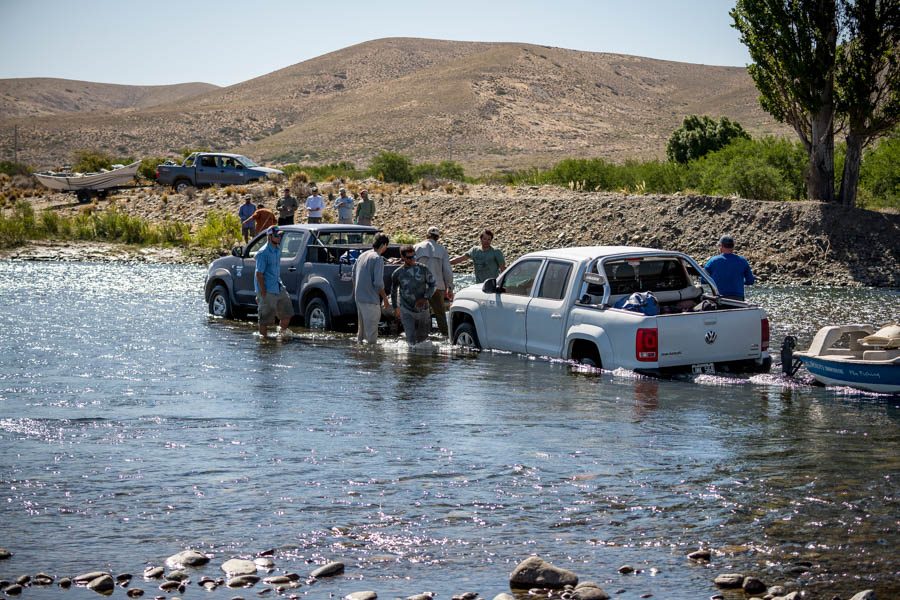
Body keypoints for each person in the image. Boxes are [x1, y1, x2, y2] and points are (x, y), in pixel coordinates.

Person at [391, 244, 436, 345]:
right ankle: (410, 359)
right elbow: (393, 291)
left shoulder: (423, 269)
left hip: (423, 310)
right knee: (410, 340)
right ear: (402, 257)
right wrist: (396, 308)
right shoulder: (397, 273)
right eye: (409, 258)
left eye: (414, 256)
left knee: (423, 341)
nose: (412, 259)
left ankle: (420, 359)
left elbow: (433, 285)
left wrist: (425, 298)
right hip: (406, 310)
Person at [255, 226, 294, 336]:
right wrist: (263, 291)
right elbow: (259, 274)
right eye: (277, 235)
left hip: (278, 286)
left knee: (287, 314)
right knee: (265, 321)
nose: (279, 237)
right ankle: (264, 341)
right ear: (269, 236)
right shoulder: (263, 253)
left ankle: (280, 335)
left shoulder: (277, 249)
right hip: (266, 289)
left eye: (280, 235)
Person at [414, 226, 453, 337]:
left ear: (426, 235)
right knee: (440, 314)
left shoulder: (417, 247)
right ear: (437, 238)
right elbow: (447, 271)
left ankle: (420, 335)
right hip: (437, 287)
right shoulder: (442, 250)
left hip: (420, 286)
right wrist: (449, 287)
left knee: (420, 312)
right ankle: (446, 336)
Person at [352, 233, 391, 344]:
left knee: (361, 335)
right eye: (386, 245)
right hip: (371, 301)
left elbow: (353, 275)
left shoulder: (362, 255)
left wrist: (355, 293)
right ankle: (371, 361)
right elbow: (378, 283)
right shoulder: (378, 259)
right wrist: (385, 298)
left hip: (359, 299)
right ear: (383, 245)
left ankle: (360, 357)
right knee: (371, 338)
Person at [704, 235, 755, 301]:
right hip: (738, 300)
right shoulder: (742, 261)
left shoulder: (712, 261)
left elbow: (703, 280)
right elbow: (750, 281)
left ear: (721, 246)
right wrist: (738, 282)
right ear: (733, 247)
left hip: (719, 300)